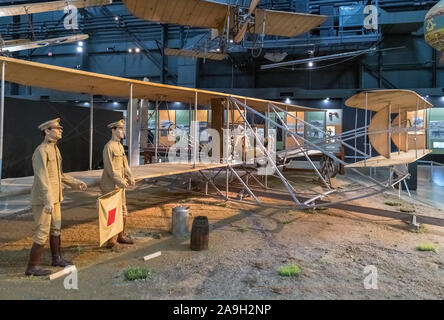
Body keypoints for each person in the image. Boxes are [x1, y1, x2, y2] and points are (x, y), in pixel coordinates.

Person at [26, 118, 87, 277]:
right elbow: (42, 177)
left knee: (56, 229)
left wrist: (75, 183)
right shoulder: (41, 151)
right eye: (57, 128)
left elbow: (59, 175)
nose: (61, 130)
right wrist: (47, 200)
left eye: (60, 129)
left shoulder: (55, 149)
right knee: (42, 232)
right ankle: (32, 267)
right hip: (44, 200)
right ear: (47, 131)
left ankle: (56, 258)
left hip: (55, 198)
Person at [101, 119, 136, 249]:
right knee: (111, 213)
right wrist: (121, 181)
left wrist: (130, 176)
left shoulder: (120, 146)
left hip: (120, 186)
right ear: (113, 130)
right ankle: (111, 241)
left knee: (123, 211)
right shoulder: (109, 147)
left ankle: (121, 235)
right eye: (120, 129)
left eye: (123, 129)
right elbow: (110, 169)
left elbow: (125, 165)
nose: (123, 131)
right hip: (110, 185)